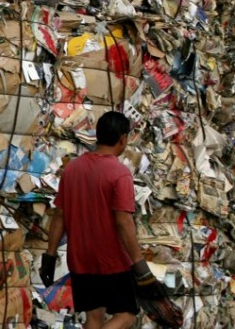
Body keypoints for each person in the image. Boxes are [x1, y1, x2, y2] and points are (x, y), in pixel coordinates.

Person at [39, 111, 173, 329]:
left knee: (94, 316)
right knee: (127, 315)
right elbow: (123, 222)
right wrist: (140, 265)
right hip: (111, 261)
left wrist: (50, 255)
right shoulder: (119, 174)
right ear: (123, 139)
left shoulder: (72, 169)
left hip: (80, 259)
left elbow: (59, 216)